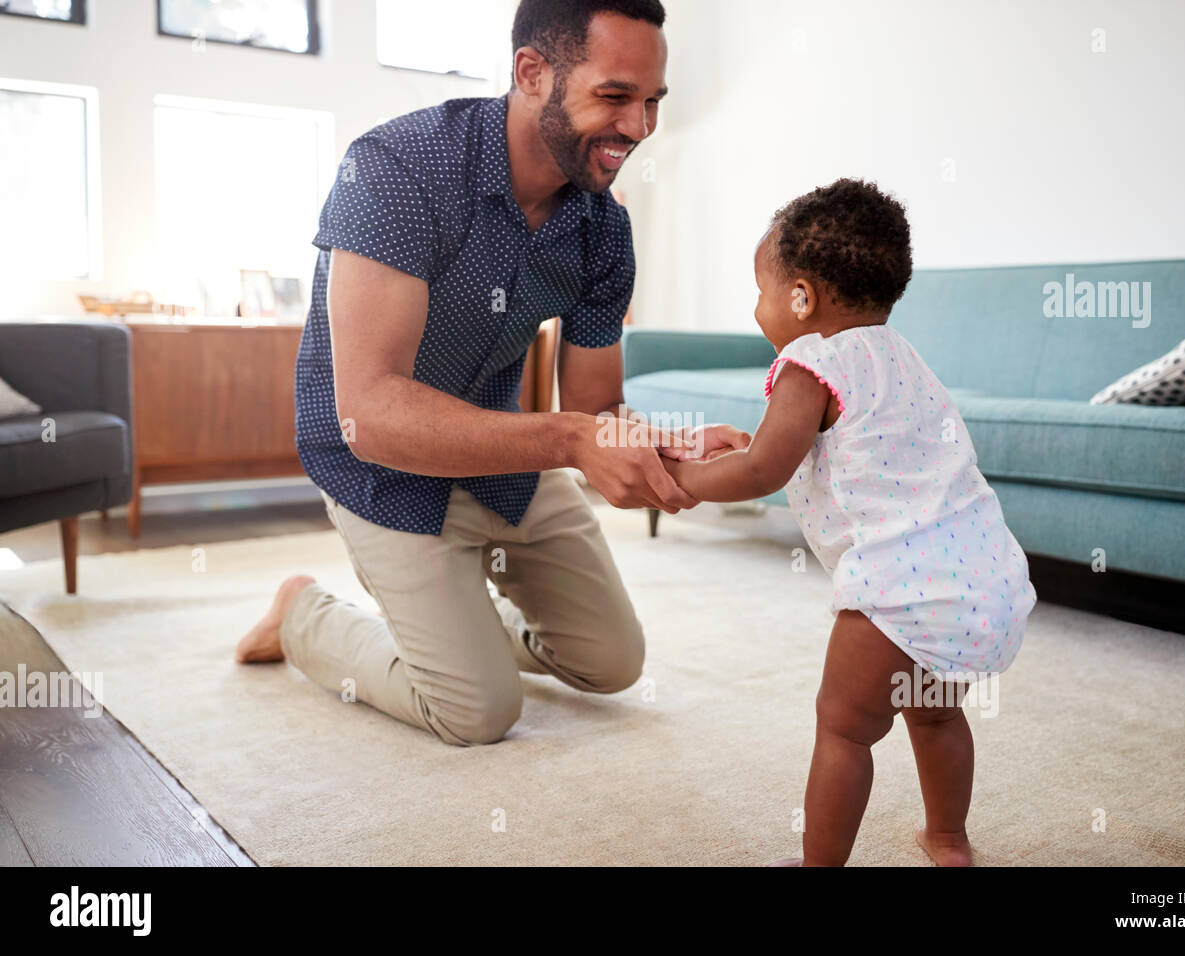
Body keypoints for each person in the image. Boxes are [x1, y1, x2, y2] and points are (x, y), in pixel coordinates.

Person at [235, 0, 749, 746]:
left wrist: (670, 440)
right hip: (379, 464)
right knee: (477, 713)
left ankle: (462, 629)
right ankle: (304, 613)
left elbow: (596, 407)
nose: (638, 129)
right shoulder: (397, 170)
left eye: (651, 103)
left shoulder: (605, 230)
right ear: (532, 73)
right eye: (614, 97)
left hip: (505, 453)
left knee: (613, 663)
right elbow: (374, 415)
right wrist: (573, 442)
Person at [659, 178, 1037, 866]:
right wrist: (747, 441)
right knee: (935, 714)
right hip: (980, 582)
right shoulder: (901, 357)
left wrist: (678, 479)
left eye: (761, 291)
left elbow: (762, 473)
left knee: (843, 731)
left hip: (898, 592)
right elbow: (841, 451)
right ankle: (949, 841)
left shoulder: (809, 360)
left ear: (801, 297)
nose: (758, 309)